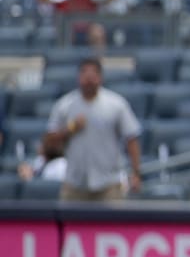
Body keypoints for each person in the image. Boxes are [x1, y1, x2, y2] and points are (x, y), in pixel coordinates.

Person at [46, 57, 142, 201]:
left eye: (93, 76)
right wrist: (71, 128)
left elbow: (131, 138)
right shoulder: (65, 105)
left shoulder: (116, 104)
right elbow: (49, 141)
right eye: (85, 75)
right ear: (79, 77)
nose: (89, 80)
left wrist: (136, 173)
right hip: (75, 183)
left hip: (109, 183)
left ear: (100, 77)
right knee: (69, 223)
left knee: (112, 223)